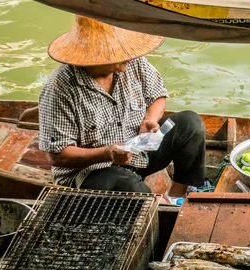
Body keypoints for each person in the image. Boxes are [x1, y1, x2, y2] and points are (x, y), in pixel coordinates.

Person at [39, 16, 205, 204]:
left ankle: (175, 196)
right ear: (98, 57)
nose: (129, 58)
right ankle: (157, 210)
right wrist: (107, 153)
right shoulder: (60, 88)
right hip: (92, 171)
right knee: (128, 185)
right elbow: (58, 155)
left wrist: (149, 118)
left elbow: (158, 95)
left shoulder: (132, 62)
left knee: (191, 124)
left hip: (138, 150)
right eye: (119, 54)